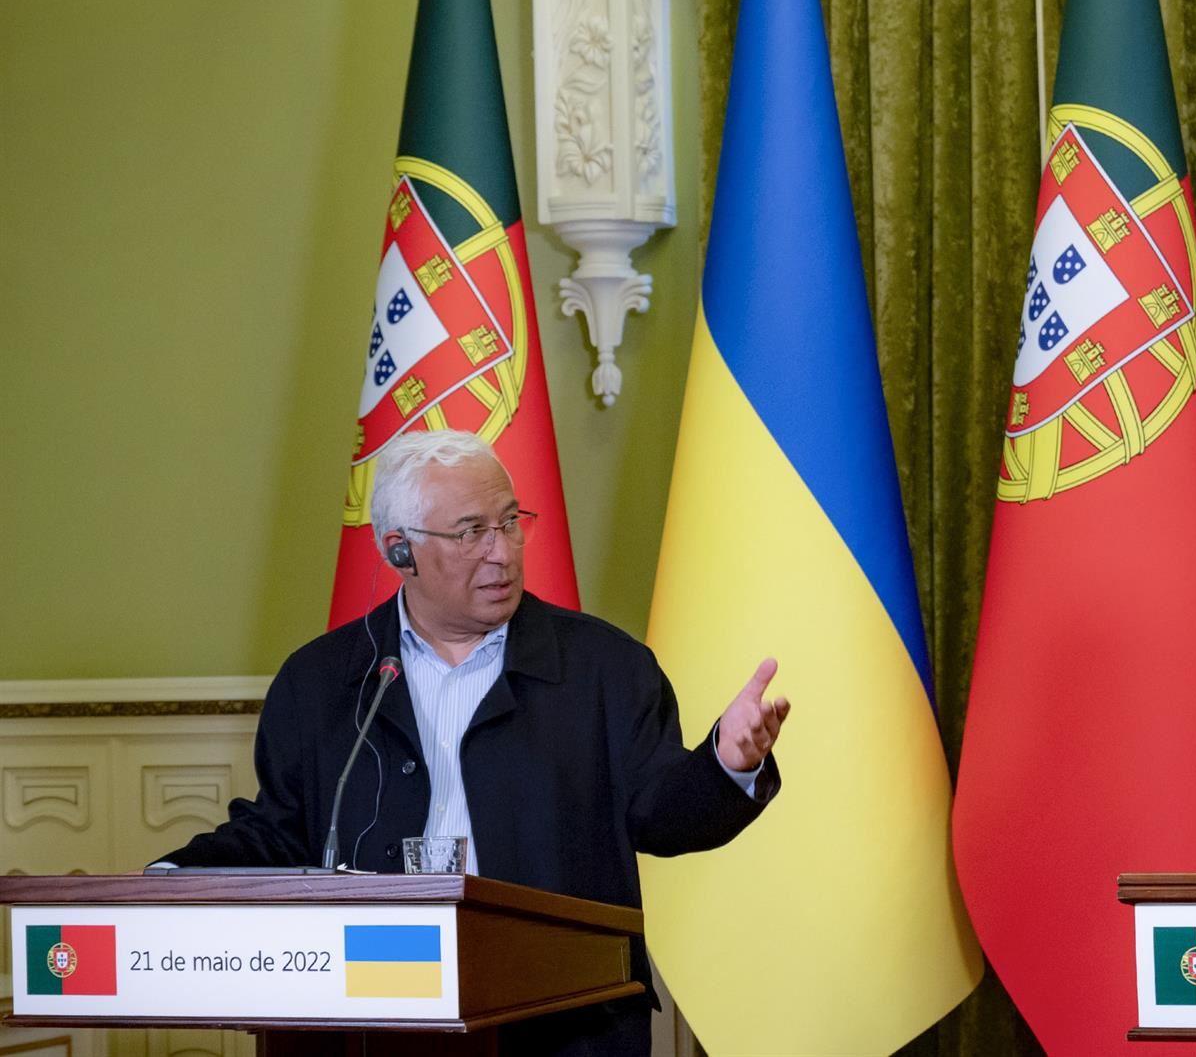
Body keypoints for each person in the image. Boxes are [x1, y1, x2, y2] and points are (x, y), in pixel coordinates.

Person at [159, 429, 788, 1056]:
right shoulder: (322, 679)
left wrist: (725, 765)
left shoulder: (606, 667)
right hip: (365, 1023)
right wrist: (167, 881)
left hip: (559, 1023)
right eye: (470, 532)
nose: (502, 554)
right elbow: (282, 830)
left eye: (510, 523)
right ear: (399, 551)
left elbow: (662, 816)